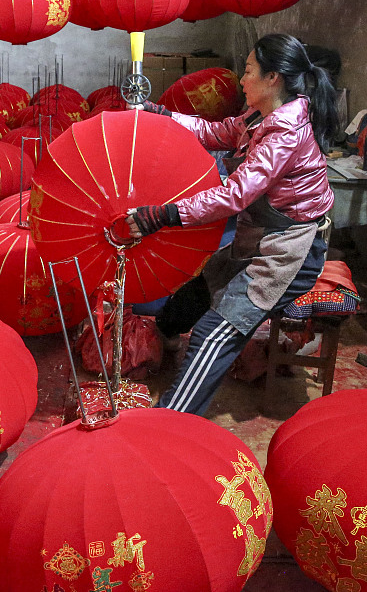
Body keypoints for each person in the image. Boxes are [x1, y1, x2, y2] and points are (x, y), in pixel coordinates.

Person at [126, 33, 339, 416]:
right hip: (261, 236)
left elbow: (235, 195)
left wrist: (163, 215)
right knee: (199, 290)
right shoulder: (261, 115)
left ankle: (170, 418)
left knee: (215, 332)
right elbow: (216, 132)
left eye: (248, 71)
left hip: (290, 252)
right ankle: (166, 336)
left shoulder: (285, 131)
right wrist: (162, 115)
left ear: (273, 78)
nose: (241, 79)